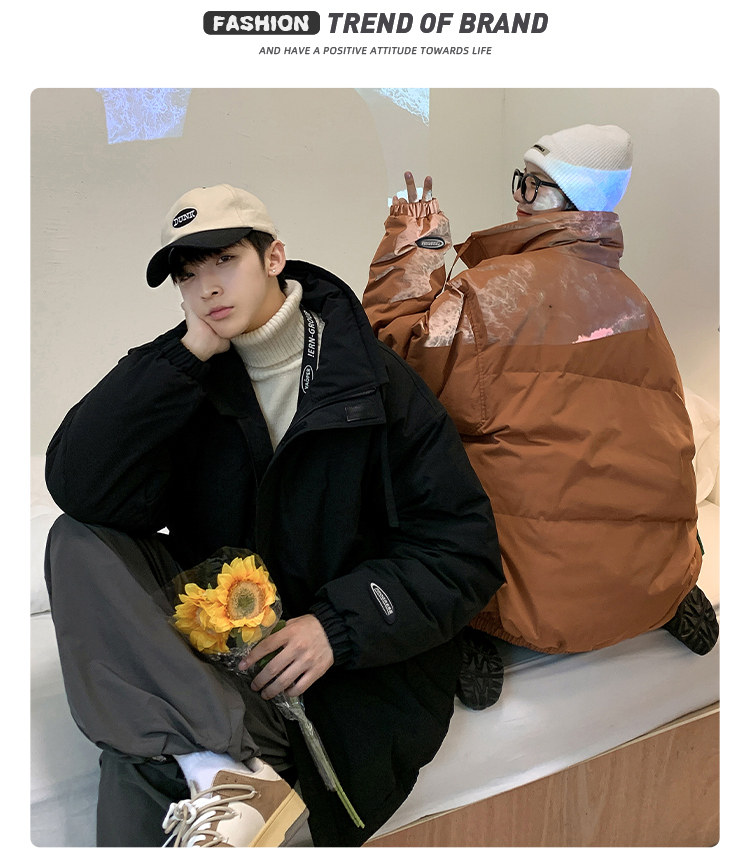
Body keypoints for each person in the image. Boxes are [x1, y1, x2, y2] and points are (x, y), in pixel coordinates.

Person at [43, 183, 505, 847]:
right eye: (187, 274)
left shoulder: (372, 384)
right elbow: (80, 488)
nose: (207, 287)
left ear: (274, 257)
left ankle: (210, 761)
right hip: (223, 651)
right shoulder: (191, 379)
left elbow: (463, 551)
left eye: (224, 260)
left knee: (140, 756)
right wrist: (181, 357)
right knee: (76, 539)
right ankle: (219, 763)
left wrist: (337, 627)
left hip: (336, 681)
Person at [363, 124, 718, 678]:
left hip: (534, 602)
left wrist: (414, 248)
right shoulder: (635, 301)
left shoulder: (491, 290)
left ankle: (468, 623)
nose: (519, 196)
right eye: (521, 180)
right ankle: (664, 589)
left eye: (535, 185)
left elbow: (396, 357)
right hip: (653, 571)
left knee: (403, 459)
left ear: (574, 199)